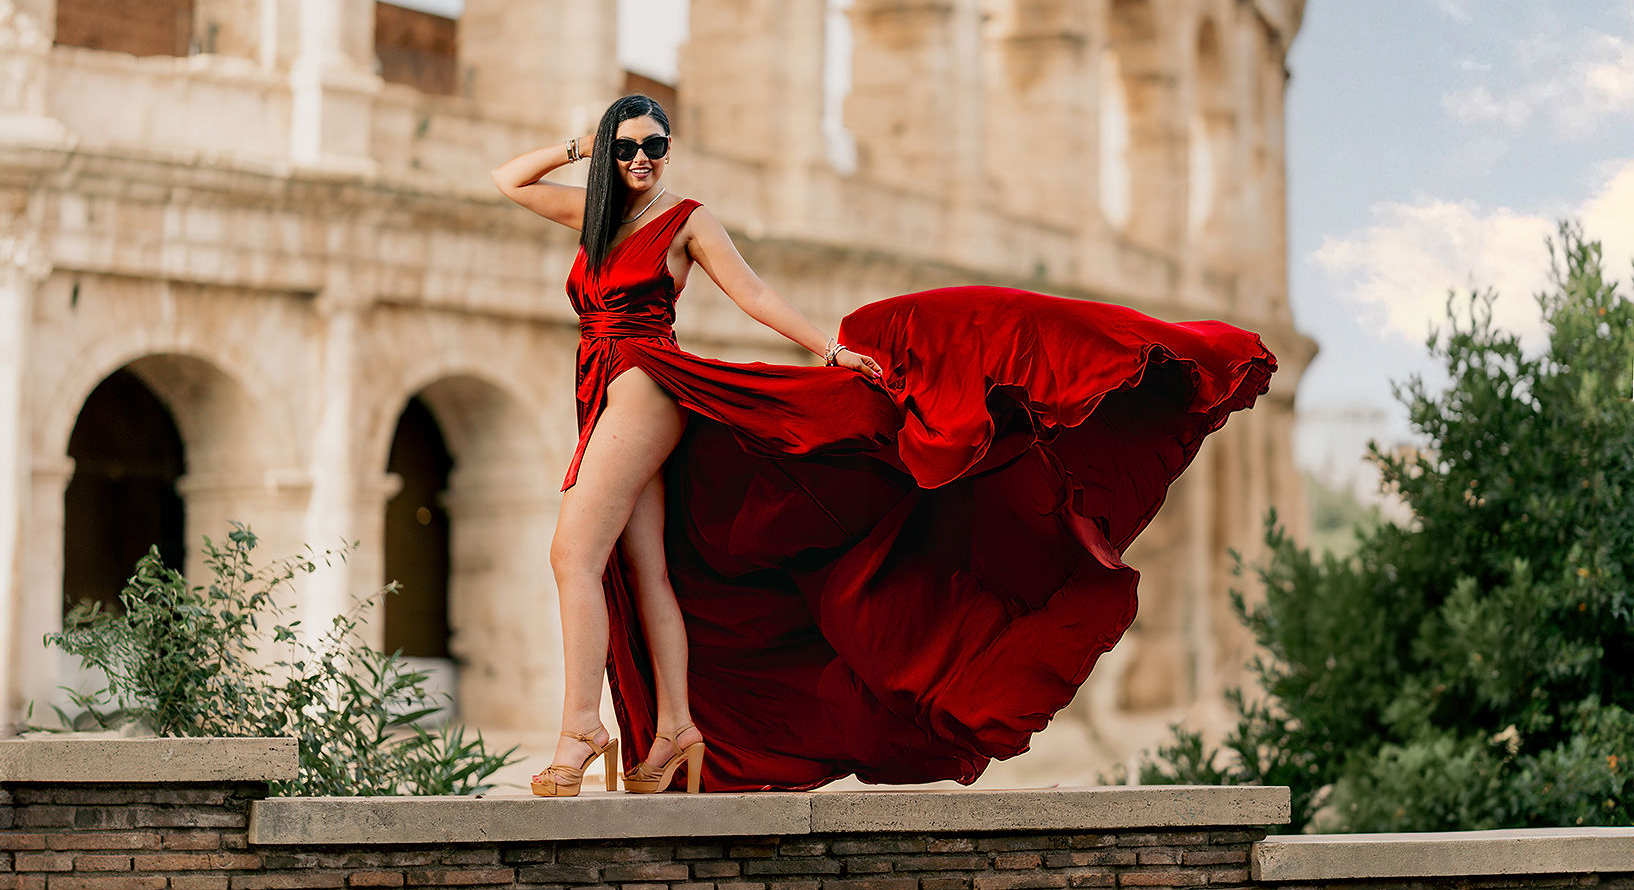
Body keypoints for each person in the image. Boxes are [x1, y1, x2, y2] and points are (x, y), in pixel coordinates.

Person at [492, 93, 1277, 796]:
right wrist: (581, 145)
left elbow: (754, 291)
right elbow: (508, 182)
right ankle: (673, 729)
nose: (638, 159)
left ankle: (580, 730)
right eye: (626, 146)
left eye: (653, 147)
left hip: (641, 376)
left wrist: (825, 348)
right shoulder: (597, 219)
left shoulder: (684, 218)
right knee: (645, 568)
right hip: (599, 383)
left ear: (670, 153)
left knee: (573, 555)